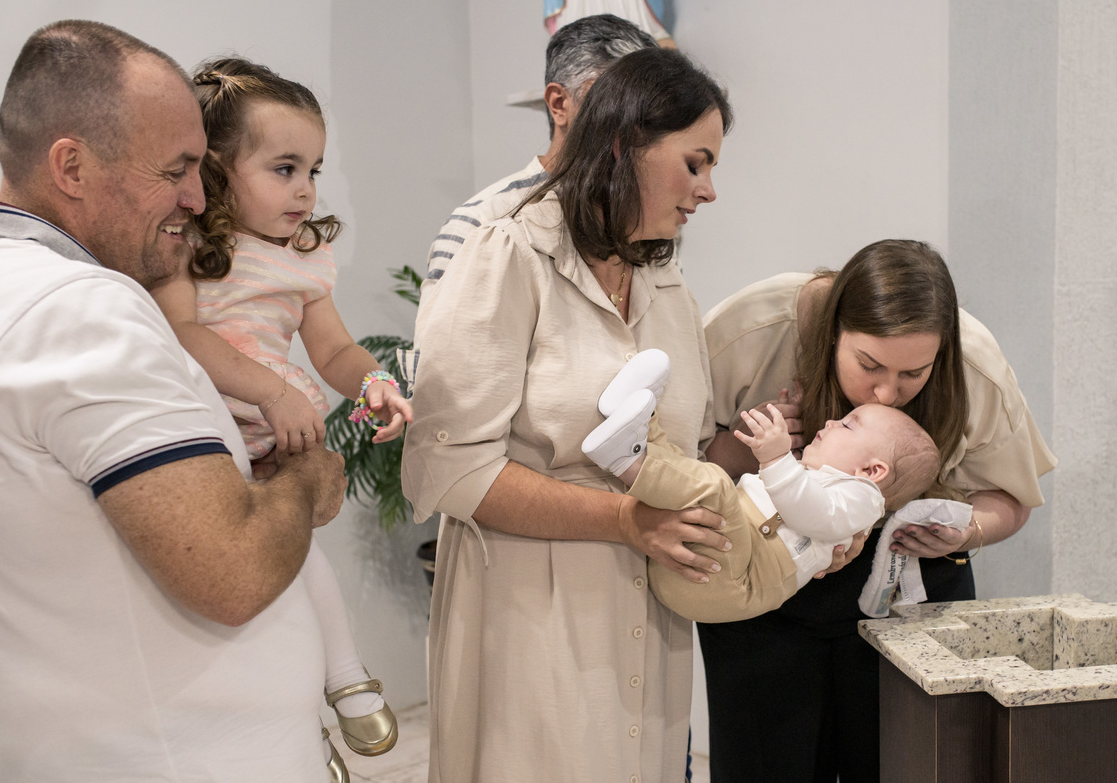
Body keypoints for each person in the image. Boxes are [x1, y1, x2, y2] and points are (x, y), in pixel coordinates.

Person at [0, 20, 349, 782]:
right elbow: (230, 572)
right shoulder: (80, 309)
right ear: (70, 165)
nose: (198, 198)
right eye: (175, 170)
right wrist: (306, 477)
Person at [401, 47, 732, 781]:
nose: (710, 191)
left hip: (650, 615)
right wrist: (622, 522)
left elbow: (688, 445)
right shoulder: (506, 250)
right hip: (530, 612)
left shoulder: (663, 274)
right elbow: (446, 470)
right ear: (625, 145)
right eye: (696, 163)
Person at [697, 240, 1058, 782]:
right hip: (761, 591)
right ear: (834, 332)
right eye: (869, 365)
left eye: (914, 374)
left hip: (908, 597)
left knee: (911, 763)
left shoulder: (973, 362)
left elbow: (1010, 499)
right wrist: (745, 448)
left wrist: (964, 533)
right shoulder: (753, 330)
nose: (888, 394)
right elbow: (675, 464)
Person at [148, 57, 411, 767]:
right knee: (243, 568)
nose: (305, 190)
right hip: (209, 425)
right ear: (219, 170)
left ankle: (345, 675)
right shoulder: (193, 246)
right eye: (284, 168)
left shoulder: (306, 255)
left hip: (279, 430)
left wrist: (374, 384)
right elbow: (184, 333)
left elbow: (334, 350)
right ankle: (324, 691)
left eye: (314, 170)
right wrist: (270, 391)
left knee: (295, 553)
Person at [581, 350, 940, 622]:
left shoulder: (861, 499)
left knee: (715, 487)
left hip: (737, 580)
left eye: (847, 426)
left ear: (872, 471)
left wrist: (776, 458)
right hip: (710, 559)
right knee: (690, 471)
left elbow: (812, 512)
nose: (831, 422)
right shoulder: (822, 480)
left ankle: (625, 459)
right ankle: (639, 423)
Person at [400, 13, 657, 386]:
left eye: (647, 111)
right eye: (616, 102)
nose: (636, 125)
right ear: (559, 104)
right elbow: (439, 392)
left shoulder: (646, 222)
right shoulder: (481, 223)